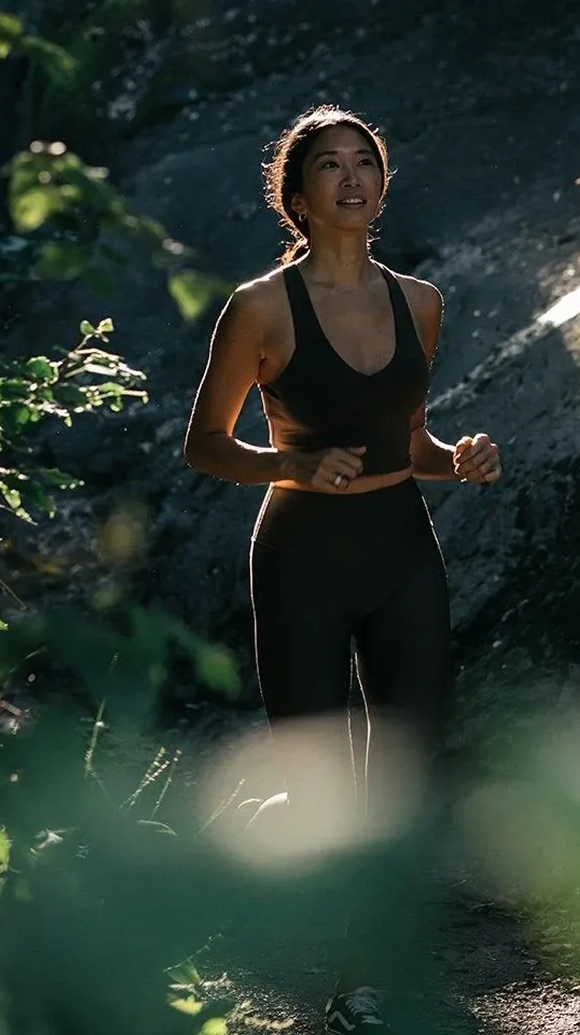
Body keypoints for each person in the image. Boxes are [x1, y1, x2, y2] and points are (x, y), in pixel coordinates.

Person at [183, 104, 502, 1034]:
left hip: (403, 548)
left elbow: (409, 440)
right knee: (318, 775)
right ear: (297, 192)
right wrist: (290, 464)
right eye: (330, 164)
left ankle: (373, 969)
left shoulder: (421, 301)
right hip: (301, 560)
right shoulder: (259, 308)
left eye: (367, 162)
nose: (353, 178)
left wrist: (462, 456)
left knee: (404, 762)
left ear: (383, 183)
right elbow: (206, 445)